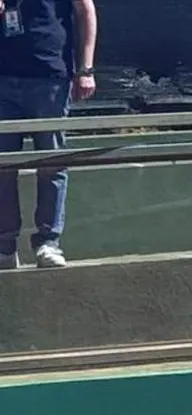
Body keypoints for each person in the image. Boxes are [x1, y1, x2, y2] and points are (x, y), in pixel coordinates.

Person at [0, 0, 97, 269]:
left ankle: (48, 243)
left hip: (50, 77)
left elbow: (85, 10)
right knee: (2, 165)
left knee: (52, 164)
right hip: (3, 78)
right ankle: (5, 247)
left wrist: (85, 69)